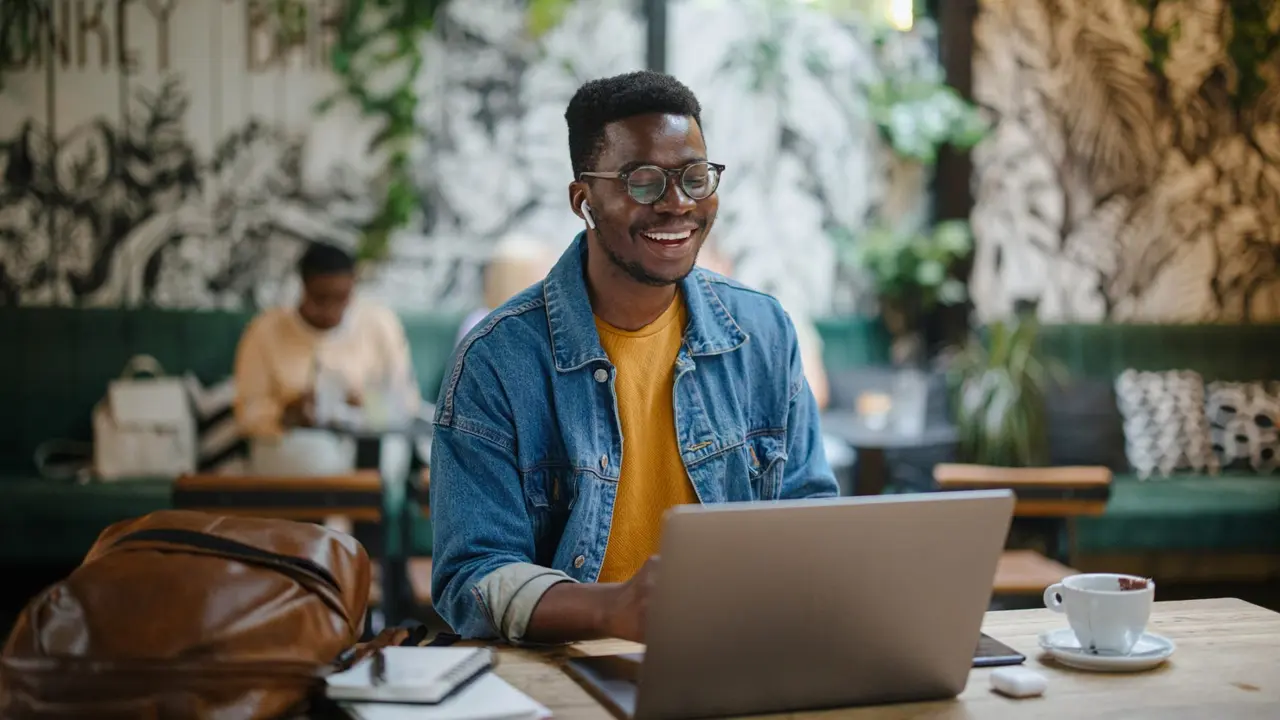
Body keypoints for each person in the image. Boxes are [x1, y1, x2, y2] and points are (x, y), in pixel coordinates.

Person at [429, 70, 838, 645]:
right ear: (583, 200)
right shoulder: (497, 360)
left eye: (695, 177)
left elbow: (810, 515)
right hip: (571, 667)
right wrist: (610, 609)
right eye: (642, 181)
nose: (676, 204)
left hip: (738, 650)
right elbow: (471, 577)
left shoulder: (763, 331)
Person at [233, 241, 420, 451]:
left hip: (369, 443)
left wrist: (362, 403)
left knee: (385, 453)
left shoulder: (381, 324)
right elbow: (246, 414)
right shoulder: (265, 330)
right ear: (303, 287)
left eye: (341, 298)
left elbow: (407, 403)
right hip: (292, 447)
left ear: (353, 287)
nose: (331, 309)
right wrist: (286, 413)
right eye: (320, 299)